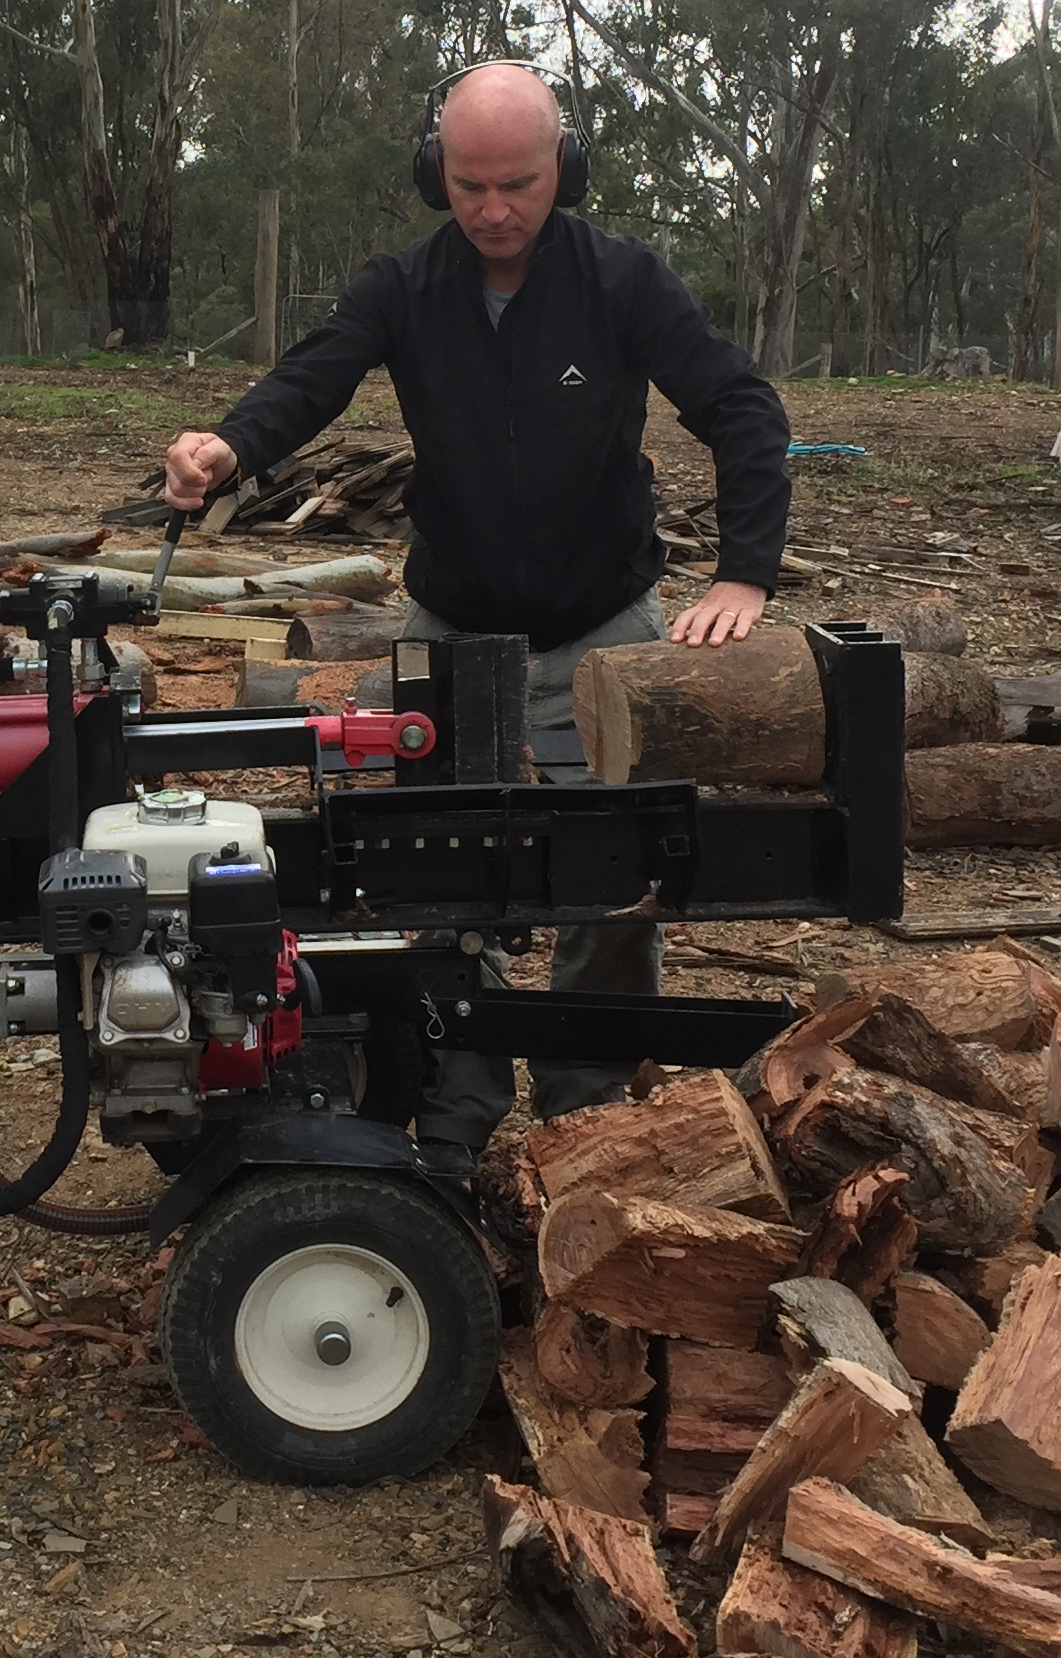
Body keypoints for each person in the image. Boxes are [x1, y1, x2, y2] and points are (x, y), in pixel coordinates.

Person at [160, 62, 790, 1170]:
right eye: (468, 186)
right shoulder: (402, 288)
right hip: (453, 629)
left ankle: (587, 1112)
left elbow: (741, 408)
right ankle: (455, 1111)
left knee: (614, 875)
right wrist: (230, 446)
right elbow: (311, 379)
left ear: (566, 169)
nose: (494, 210)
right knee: (439, 872)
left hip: (603, 624)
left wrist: (745, 575)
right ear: (433, 175)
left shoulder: (625, 281)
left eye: (519, 184)